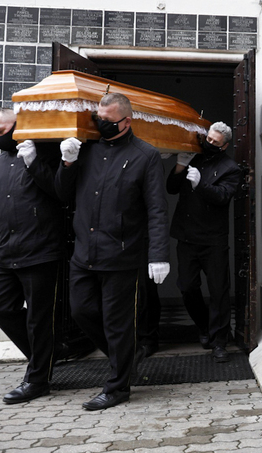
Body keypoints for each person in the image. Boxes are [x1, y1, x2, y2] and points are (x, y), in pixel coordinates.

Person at [55, 92, 171, 411]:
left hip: (122, 254)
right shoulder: (87, 150)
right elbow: (62, 195)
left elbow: (156, 209)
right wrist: (67, 163)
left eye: (108, 121)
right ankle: (127, 357)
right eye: (98, 119)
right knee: (81, 311)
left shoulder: (145, 155)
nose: (101, 124)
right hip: (84, 253)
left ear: (126, 120)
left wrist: (158, 254)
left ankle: (118, 387)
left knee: (117, 323)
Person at [0, 108, 64, 404]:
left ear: (18, 127)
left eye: (1, 130)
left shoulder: (45, 156)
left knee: (39, 318)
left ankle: (37, 380)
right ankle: (45, 355)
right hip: (6, 252)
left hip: (41, 250)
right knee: (0, 308)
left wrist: (33, 162)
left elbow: (61, 193)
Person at [166, 122, 242, 363]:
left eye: (214, 143)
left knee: (219, 291)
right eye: (207, 139)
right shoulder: (194, 156)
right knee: (186, 287)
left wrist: (201, 185)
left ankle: (220, 342)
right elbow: (171, 188)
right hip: (187, 236)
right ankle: (205, 327)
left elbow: (222, 197)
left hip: (213, 239)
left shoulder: (230, 168)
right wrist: (179, 166)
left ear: (224, 145)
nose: (209, 144)